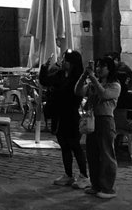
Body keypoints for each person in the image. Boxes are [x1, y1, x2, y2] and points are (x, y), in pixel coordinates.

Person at [45, 49, 89, 189]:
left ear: (72, 63)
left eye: (65, 60)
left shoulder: (77, 78)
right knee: (64, 145)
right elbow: (46, 81)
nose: (62, 62)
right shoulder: (60, 74)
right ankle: (68, 175)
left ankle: (84, 176)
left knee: (74, 145)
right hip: (60, 115)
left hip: (71, 115)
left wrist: (55, 92)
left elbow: (69, 94)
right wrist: (45, 68)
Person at [80, 54, 121, 198]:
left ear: (109, 69)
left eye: (102, 66)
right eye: (97, 66)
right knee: (92, 153)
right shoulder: (93, 83)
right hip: (93, 121)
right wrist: (84, 75)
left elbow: (103, 94)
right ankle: (95, 184)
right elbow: (78, 91)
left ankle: (108, 188)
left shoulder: (115, 85)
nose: (98, 69)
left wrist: (92, 78)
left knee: (106, 154)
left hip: (105, 121)